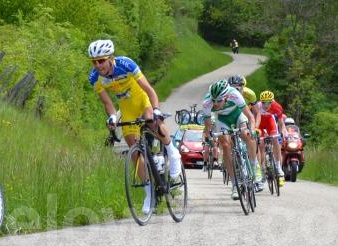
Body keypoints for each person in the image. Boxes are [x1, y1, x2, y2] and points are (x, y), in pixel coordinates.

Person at [88, 39, 182, 215]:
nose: (97, 65)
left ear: (110, 58)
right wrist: (111, 117)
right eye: (94, 62)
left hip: (142, 101)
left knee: (152, 121)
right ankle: (149, 195)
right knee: (135, 153)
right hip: (126, 109)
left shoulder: (126, 64)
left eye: (101, 61)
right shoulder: (94, 77)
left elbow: (149, 89)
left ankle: (172, 152)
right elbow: (107, 102)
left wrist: (156, 109)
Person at [201, 79, 261, 200]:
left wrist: (252, 129)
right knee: (226, 145)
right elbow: (208, 126)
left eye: (219, 100)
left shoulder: (235, 94)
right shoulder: (207, 102)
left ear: (227, 97)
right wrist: (210, 137)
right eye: (214, 100)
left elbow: (250, 116)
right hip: (222, 119)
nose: (215, 103)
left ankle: (254, 166)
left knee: (247, 135)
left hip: (237, 114)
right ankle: (235, 184)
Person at [228, 74, 263, 189]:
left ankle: (255, 166)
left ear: (243, 87)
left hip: (246, 116)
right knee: (230, 142)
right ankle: (238, 166)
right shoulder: (227, 95)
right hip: (233, 116)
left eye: (238, 88)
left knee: (251, 139)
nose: (236, 90)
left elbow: (257, 113)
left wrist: (255, 128)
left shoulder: (250, 94)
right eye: (233, 88)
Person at [255, 90, 286, 186]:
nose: (266, 105)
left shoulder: (277, 107)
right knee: (260, 144)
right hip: (260, 123)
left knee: (276, 140)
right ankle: (261, 169)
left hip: (269, 122)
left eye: (269, 102)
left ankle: (277, 166)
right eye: (264, 102)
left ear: (272, 101)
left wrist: (281, 133)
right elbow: (252, 117)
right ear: (261, 101)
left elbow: (280, 122)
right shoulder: (257, 106)